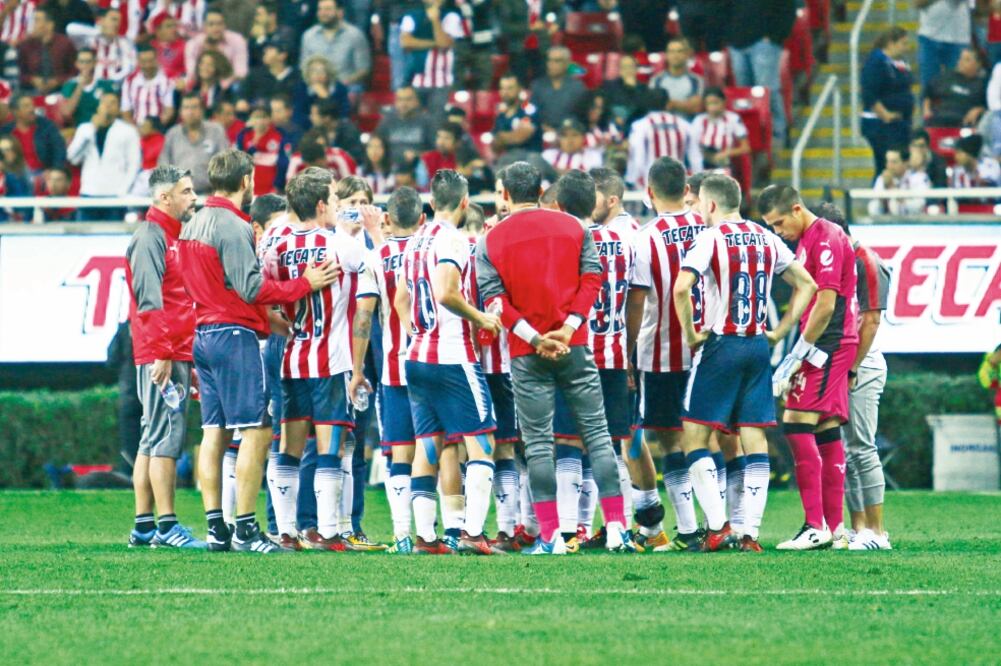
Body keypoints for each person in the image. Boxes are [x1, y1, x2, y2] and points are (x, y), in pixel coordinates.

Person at [177, 149, 340, 553]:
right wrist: (304, 283)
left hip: (204, 334)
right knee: (258, 430)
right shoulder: (232, 225)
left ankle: (217, 526)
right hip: (234, 337)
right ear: (246, 180)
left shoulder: (191, 223)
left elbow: (211, 284)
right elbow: (251, 288)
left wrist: (267, 319)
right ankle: (247, 528)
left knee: (213, 432)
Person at [475, 161, 633, 554]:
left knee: (539, 444)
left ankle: (550, 537)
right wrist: (568, 326)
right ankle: (616, 527)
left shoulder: (490, 240)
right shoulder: (575, 227)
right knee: (598, 435)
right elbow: (593, 277)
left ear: (506, 195)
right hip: (574, 344)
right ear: (541, 188)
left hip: (528, 353)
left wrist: (534, 336)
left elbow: (495, 301)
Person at [674, 175, 817, 552]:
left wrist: (691, 334)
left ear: (710, 205)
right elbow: (807, 284)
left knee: (694, 435)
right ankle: (749, 532)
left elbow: (680, 287)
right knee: (754, 435)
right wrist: (780, 330)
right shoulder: (765, 237)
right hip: (757, 345)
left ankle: (719, 527)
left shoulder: (711, 237)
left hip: (722, 345)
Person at [392, 169, 501, 555]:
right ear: (465, 203)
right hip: (452, 356)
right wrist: (481, 318)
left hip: (416, 356)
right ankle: (473, 532)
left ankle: (425, 537)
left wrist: (417, 333)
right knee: (481, 441)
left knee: (428, 445)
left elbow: (401, 300)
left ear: (432, 202)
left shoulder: (415, 240)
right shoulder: (452, 239)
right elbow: (445, 291)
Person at [261, 169, 366, 551]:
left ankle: (286, 531)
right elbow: (371, 272)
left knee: (288, 445)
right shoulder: (339, 244)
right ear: (322, 205)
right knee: (329, 447)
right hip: (330, 359)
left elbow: (260, 289)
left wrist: (277, 317)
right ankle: (328, 531)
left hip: (291, 356)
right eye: (336, 200)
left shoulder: (275, 239)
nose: (339, 206)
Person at [759, 184, 859, 551]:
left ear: (797, 209)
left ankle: (814, 525)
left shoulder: (826, 238)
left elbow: (826, 304)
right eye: (771, 226)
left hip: (828, 343)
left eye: (780, 222)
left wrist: (796, 354)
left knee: (795, 424)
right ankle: (835, 528)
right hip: (828, 344)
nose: (777, 231)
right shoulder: (809, 239)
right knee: (827, 430)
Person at [623, 157, 707, 552]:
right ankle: (732, 527)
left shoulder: (645, 237)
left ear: (650, 192)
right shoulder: (709, 227)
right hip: (709, 348)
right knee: (715, 437)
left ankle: (689, 530)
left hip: (661, 353)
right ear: (688, 189)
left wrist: (627, 353)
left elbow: (637, 303)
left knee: (669, 440)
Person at [125, 165, 203, 549]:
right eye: (186, 192)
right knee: (166, 437)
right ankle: (168, 526)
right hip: (163, 351)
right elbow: (149, 302)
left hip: (169, 348)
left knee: (151, 436)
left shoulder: (170, 236)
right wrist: (162, 353)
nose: (193, 198)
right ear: (164, 198)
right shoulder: (150, 238)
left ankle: (143, 526)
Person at [814, 202, 893, 551]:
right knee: (845, 449)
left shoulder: (867, 261)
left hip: (862, 365)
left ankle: (877, 531)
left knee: (862, 446)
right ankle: (858, 528)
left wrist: (852, 367)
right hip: (842, 365)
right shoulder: (843, 259)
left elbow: (871, 321)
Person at [350, 186, 424, 554]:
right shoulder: (435, 249)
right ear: (422, 219)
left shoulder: (376, 259)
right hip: (437, 363)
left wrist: (357, 368)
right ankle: (443, 531)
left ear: (388, 220)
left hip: (395, 369)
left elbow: (363, 316)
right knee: (440, 449)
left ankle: (402, 535)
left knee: (398, 451)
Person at [724, 0, 795, 144]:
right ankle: (750, 136)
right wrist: (728, 36)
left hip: (764, 44)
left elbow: (788, 9)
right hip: (737, 43)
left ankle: (778, 134)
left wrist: (775, 37)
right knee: (743, 93)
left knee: (768, 90)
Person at [67, 90, 142, 220]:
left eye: (112, 103)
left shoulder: (128, 131)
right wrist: (92, 130)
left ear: (118, 108)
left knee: (113, 237)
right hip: (89, 192)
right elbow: (73, 158)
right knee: (85, 238)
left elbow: (134, 164)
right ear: (98, 106)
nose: (107, 106)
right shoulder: (85, 129)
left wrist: (123, 190)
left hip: (115, 194)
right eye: (104, 102)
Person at [861, 27, 914, 177]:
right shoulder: (876, 62)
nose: (906, 48)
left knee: (897, 168)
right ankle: (878, 198)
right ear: (891, 43)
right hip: (881, 125)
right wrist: (885, 115)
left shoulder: (898, 62)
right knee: (885, 166)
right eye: (903, 43)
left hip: (899, 123)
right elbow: (869, 92)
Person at [400, 0, 465, 121]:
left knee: (437, 120)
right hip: (417, 79)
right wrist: (434, 43)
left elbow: (444, 43)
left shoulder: (451, 16)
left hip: (442, 82)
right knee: (414, 119)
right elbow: (406, 42)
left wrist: (435, 20)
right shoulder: (411, 16)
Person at [626, 91, 702, 187]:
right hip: (678, 182)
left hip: (650, 183)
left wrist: (631, 180)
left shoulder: (640, 126)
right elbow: (695, 157)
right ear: (668, 104)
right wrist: (698, 182)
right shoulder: (684, 124)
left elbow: (638, 157)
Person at [158, 93, 230, 194]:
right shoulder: (172, 134)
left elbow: (226, 163)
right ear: (180, 112)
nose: (190, 112)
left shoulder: (216, 131)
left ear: (202, 110)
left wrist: (219, 190)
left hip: (210, 194)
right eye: (186, 108)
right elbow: (163, 166)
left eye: (194, 107)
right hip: (179, 195)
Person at [299, 0, 371, 91]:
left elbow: (363, 70)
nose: (323, 13)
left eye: (327, 9)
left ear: (340, 12)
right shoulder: (308, 36)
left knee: (354, 90)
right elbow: (304, 66)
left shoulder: (355, 35)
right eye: (320, 9)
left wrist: (341, 85)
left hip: (346, 86)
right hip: (316, 87)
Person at [0, 94, 66, 177]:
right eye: (26, 106)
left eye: (32, 105)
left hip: (42, 173)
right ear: (15, 111)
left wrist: (55, 170)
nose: (32, 109)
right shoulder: (5, 131)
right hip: (14, 175)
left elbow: (59, 149)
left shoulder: (46, 126)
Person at [16, 5, 77, 94]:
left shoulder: (65, 44)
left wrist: (57, 81)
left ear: (50, 25)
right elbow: (19, 73)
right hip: (31, 91)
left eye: (36, 21)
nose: (32, 25)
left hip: (61, 91)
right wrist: (32, 80)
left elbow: (75, 72)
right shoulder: (26, 45)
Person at [916, 0, 972, 94]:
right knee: (929, 83)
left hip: (959, 38)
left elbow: (980, 10)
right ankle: (926, 108)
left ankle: (953, 108)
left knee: (958, 85)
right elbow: (917, 3)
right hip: (929, 37)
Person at [923, 48, 988, 128]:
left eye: (967, 60)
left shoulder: (982, 84)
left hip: (964, 124)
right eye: (960, 58)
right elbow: (927, 93)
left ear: (978, 64)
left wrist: (979, 110)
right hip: (939, 121)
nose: (960, 62)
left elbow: (990, 107)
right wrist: (926, 110)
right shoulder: (946, 76)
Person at [691, 87, 751, 172]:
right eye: (709, 104)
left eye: (716, 103)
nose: (713, 107)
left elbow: (745, 147)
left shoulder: (733, 119)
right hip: (702, 162)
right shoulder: (699, 120)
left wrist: (728, 153)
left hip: (724, 163)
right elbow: (693, 146)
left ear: (724, 102)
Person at [235, 104, 291, 195]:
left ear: (269, 119)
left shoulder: (279, 136)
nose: (260, 121)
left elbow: (284, 163)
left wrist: (278, 186)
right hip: (249, 190)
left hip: (271, 191)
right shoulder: (243, 136)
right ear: (250, 119)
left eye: (263, 117)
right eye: (256, 117)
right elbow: (238, 163)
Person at [184, 6, 248, 86]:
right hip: (202, 86)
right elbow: (192, 72)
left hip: (229, 86)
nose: (216, 28)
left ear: (225, 25)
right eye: (211, 24)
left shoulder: (237, 40)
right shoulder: (193, 44)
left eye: (219, 24)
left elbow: (241, 73)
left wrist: (221, 86)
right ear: (204, 26)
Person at [530, 46, 588, 132]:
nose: (551, 64)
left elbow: (581, 116)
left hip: (570, 133)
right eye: (549, 60)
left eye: (557, 61)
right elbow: (532, 111)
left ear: (567, 63)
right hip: (542, 132)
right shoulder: (537, 86)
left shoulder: (578, 87)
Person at [376, 86, 436, 166]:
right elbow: (376, 144)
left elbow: (436, 152)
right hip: (391, 168)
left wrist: (418, 155)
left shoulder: (427, 122)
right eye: (400, 99)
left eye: (408, 99)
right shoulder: (387, 121)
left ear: (416, 101)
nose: (403, 104)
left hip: (418, 168)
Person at [648, 36, 704, 120]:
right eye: (671, 51)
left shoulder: (696, 80)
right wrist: (685, 105)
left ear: (686, 55)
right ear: (666, 55)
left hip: (687, 128)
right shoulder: (656, 80)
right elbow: (652, 107)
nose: (675, 55)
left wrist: (672, 104)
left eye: (679, 51)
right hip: (662, 128)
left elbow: (696, 108)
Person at [59, 48, 116, 128]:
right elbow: (66, 112)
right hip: (80, 128)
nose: (85, 65)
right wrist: (80, 86)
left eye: (88, 62)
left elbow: (114, 111)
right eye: (82, 62)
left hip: (103, 127)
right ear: (77, 64)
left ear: (94, 63)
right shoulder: (70, 85)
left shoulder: (105, 84)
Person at [121, 44, 176, 128]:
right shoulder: (129, 81)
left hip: (159, 128)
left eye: (150, 61)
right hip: (135, 129)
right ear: (138, 61)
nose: (147, 65)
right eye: (143, 61)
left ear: (157, 59)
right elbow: (125, 111)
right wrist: (135, 130)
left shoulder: (168, 80)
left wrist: (153, 129)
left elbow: (169, 111)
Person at [866, 146, 931, 216]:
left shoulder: (919, 178)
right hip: (888, 223)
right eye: (888, 161)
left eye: (894, 162)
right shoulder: (882, 179)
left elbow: (917, 207)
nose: (889, 166)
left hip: (914, 223)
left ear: (906, 163)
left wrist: (892, 188)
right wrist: (882, 198)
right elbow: (873, 210)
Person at [492, 74, 543, 156]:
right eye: (503, 88)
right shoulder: (501, 115)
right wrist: (502, 138)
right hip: (508, 160)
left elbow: (520, 136)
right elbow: (495, 147)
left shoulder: (528, 109)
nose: (505, 92)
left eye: (510, 88)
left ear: (520, 89)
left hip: (529, 158)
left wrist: (501, 136)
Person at [244, 38, 303, 109]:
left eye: (270, 49)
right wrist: (242, 101)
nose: (265, 51)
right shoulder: (255, 74)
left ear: (282, 55)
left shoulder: (297, 77)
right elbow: (243, 96)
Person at [294, 55, 350, 128]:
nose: (318, 75)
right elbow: (298, 115)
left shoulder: (339, 88)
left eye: (322, 71)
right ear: (308, 74)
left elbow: (342, 115)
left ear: (328, 74)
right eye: (313, 71)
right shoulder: (302, 88)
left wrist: (326, 98)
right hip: (307, 129)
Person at [602, 54, 653, 129]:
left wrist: (632, 88)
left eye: (630, 67)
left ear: (636, 69)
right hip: (615, 126)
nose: (628, 70)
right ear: (620, 70)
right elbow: (605, 107)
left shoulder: (643, 88)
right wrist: (614, 117)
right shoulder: (610, 87)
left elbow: (643, 109)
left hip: (637, 126)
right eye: (624, 67)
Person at [91, 7, 135, 82]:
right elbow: (71, 28)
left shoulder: (125, 44)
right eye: (113, 19)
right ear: (101, 20)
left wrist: (111, 82)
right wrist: (99, 34)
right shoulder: (90, 39)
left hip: (115, 86)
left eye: (118, 21)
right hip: (92, 87)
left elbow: (129, 68)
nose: (116, 24)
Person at [249, 1, 297, 68]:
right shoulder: (254, 35)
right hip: (259, 75)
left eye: (259, 15)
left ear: (272, 16)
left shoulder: (285, 34)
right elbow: (252, 60)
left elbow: (274, 58)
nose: (256, 18)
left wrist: (261, 39)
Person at [417, 122, 461, 187]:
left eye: (447, 138)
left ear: (457, 143)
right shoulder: (427, 158)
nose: (441, 142)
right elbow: (422, 186)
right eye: (439, 136)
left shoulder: (464, 160)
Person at [149, 14, 187, 83]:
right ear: (157, 30)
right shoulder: (149, 47)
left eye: (174, 26)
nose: (174, 29)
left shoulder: (184, 47)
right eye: (169, 26)